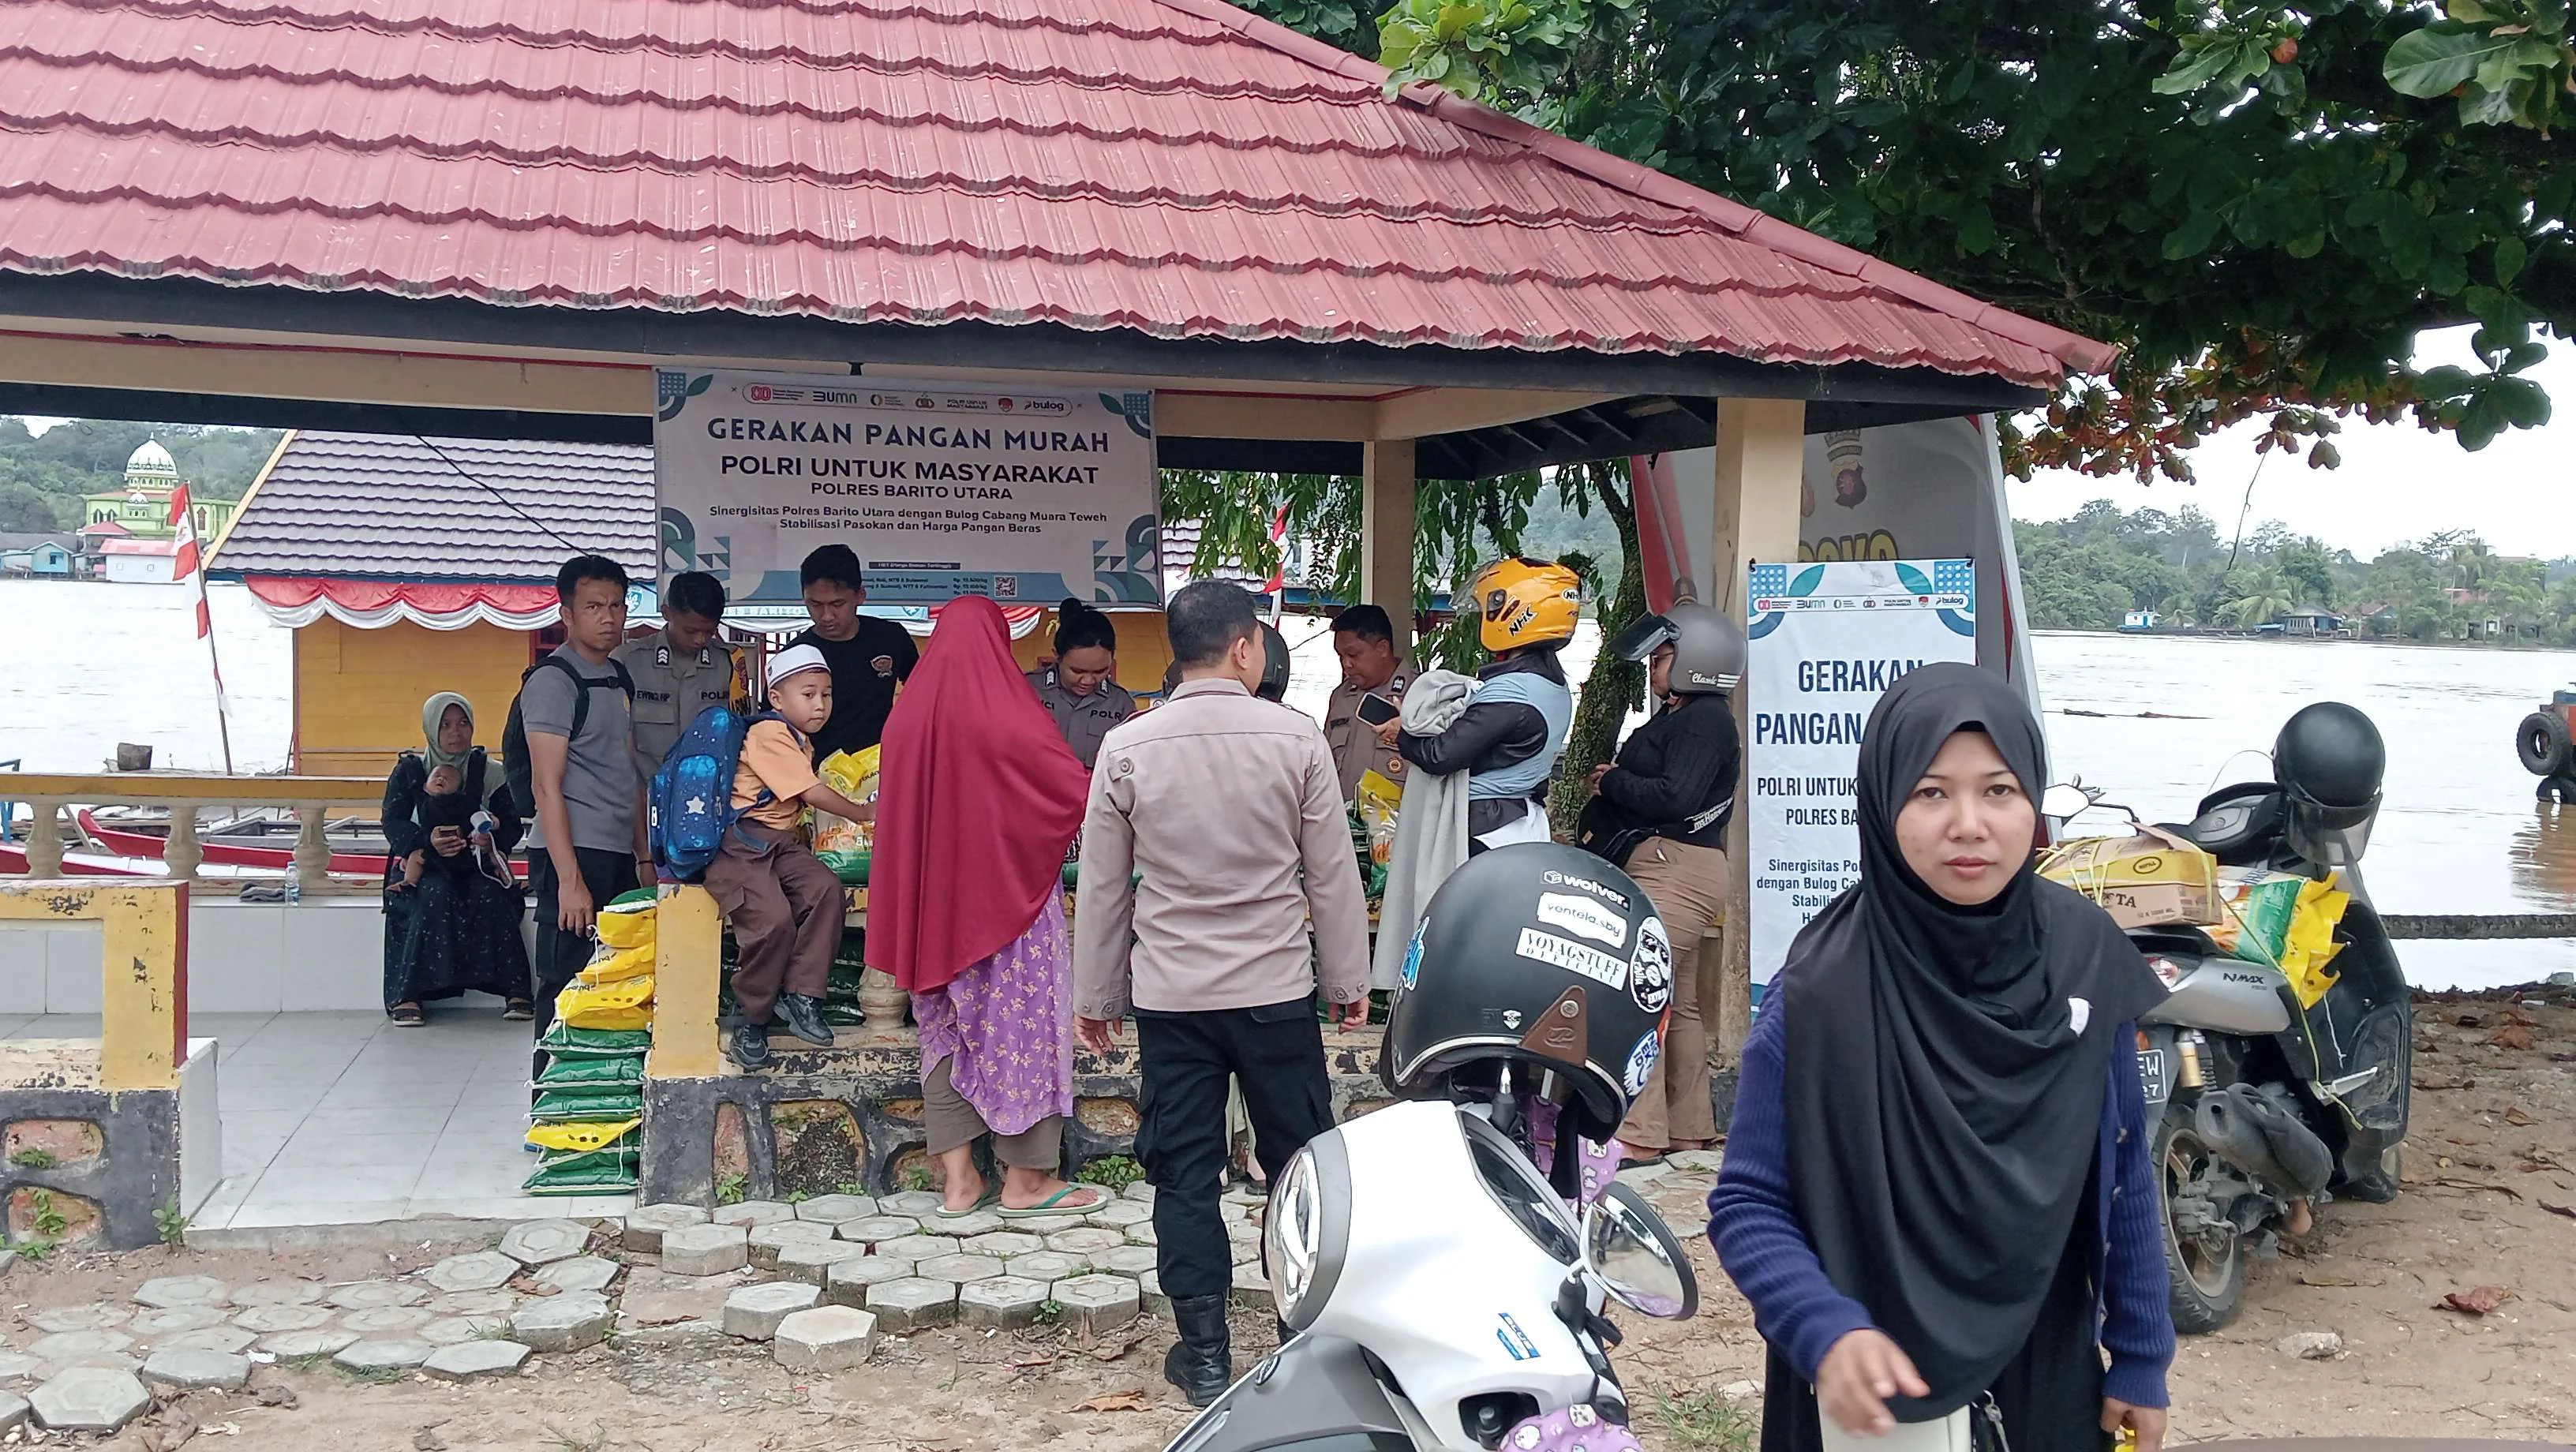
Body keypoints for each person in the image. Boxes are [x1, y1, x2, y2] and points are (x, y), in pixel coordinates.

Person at [1707, 664, 2174, 1452]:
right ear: (1884, 803)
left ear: (2033, 799)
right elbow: (1749, 1203)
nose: (1969, 823)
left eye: (1998, 790)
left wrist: (2139, 1353)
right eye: (1931, 793)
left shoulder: (2085, 956)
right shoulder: (1822, 992)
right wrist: (1824, 1330)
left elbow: (2123, 1168)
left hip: (2046, 1357)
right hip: (1872, 1390)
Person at [1072, 581, 1371, 1408]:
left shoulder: (1129, 744)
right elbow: (1331, 874)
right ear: (1245, 647)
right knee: (1300, 1171)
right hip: (1277, 991)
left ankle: (1203, 1357)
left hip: (1173, 997)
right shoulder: (1297, 739)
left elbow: (1103, 886)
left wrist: (1094, 994)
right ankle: (1300, 1340)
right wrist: (1350, 980)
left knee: (1185, 1175)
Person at [872, 596, 1106, 1216]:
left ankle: (958, 1183)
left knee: (945, 1033)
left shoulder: (906, 719)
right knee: (1022, 1029)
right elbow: (1073, 793)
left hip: (932, 915)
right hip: (1011, 910)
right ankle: (1025, 1182)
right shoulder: (1011, 715)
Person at [1580, 598, 1743, 1160]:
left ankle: (1639, 1134)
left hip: (1676, 868)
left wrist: (1612, 784)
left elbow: (1677, 796)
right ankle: (1689, 1128)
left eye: (1663, 657)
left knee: (1636, 991)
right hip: (1674, 865)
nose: (1652, 668)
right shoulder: (1687, 717)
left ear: (1696, 661)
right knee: (1680, 1000)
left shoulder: (1703, 722)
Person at [710, 644, 868, 1069]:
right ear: (777, 699)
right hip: (740, 843)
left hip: (779, 843)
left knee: (825, 890)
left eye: (826, 694)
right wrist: (866, 813)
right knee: (771, 920)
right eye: (809, 694)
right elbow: (808, 792)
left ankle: (802, 997)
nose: (820, 704)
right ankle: (752, 1020)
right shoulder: (769, 733)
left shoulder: (801, 740)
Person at [523, 554, 649, 1035]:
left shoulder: (618, 677)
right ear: (567, 614)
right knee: (564, 987)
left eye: (617, 605)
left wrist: (643, 855)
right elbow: (544, 787)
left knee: (614, 986)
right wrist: (570, 881)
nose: (609, 617)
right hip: (573, 853)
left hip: (617, 851)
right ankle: (548, 1104)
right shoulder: (554, 682)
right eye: (594, 606)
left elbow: (629, 769)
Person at [1387, 557, 1578, 852]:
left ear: (1515, 612)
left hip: (1486, 829)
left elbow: (1441, 755)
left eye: (1489, 609)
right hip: (1520, 822)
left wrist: (1402, 733)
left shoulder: (1513, 693)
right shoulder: (1553, 686)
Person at [380, 694, 530, 1025]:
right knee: (432, 895)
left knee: (489, 895)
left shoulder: (490, 772)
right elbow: (393, 821)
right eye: (445, 725)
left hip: (475, 865)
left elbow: (512, 823)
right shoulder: (411, 772)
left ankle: (516, 991)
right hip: (425, 867)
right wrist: (427, 843)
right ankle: (408, 995)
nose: (456, 732)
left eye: (463, 723)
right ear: (431, 730)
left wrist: (489, 840)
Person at [792, 544, 919, 761]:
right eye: (815, 605)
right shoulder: (795, 655)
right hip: (819, 779)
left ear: (860, 595)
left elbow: (923, 690)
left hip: (880, 770)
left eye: (837, 604)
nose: (826, 616)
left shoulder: (891, 638)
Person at [617, 570, 745, 783]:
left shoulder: (729, 663)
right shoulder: (629, 662)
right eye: (691, 631)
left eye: (709, 631)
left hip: (707, 794)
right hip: (643, 796)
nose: (700, 639)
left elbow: (741, 734)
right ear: (666, 612)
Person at [1026, 597, 1136, 769]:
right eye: (1077, 671)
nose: (1088, 681)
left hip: (1092, 794)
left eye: (1100, 671)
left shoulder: (1120, 704)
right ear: (1057, 656)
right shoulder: (1027, 690)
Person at [1321, 603, 1410, 801]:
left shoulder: (1420, 695)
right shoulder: (1341, 697)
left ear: (1382, 649)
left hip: (1401, 828)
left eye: (1353, 655)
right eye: (1340, 656)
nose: (1346, 664)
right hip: (1343, 825)